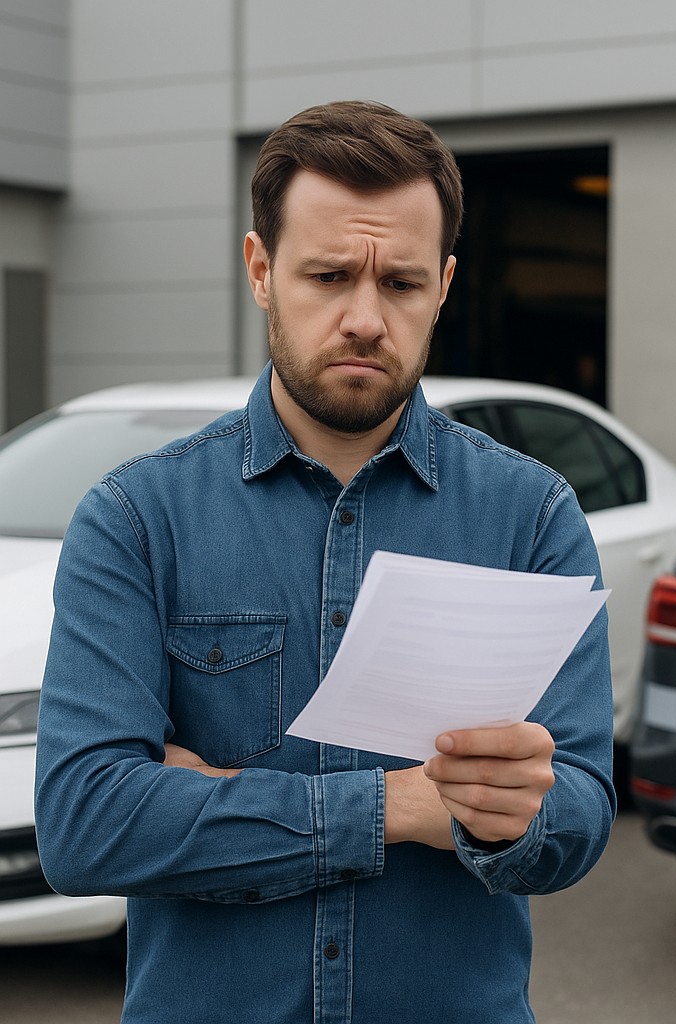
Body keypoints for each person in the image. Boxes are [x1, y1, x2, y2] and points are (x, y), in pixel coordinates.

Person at [34, 100, 615, 1024]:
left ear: (445, 287)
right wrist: (402, 807)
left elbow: (580, 814)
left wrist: (521, 813)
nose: (365, 318)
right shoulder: (137, 519)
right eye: (329, 275)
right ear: (261, 271)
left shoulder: (531, 517)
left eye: (402, 285)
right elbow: (85, 825)